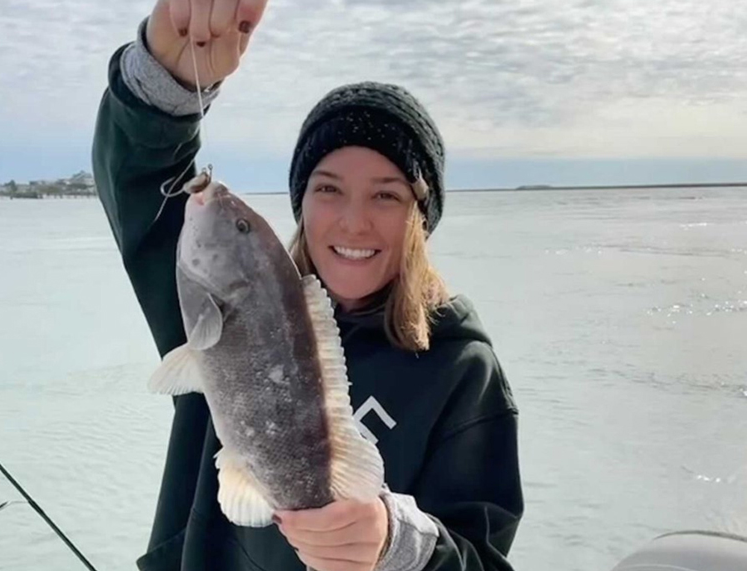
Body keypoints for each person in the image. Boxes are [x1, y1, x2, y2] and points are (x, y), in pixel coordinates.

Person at [91, 1, 524, 570]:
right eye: (328, 189)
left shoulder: (462, 369)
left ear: (421, 218)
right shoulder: (219, 305)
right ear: (302, 202)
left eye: (387, 194)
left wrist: (400, 545)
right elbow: (143, 182)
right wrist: (166, 84)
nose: (353, 221)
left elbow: (481, 558)